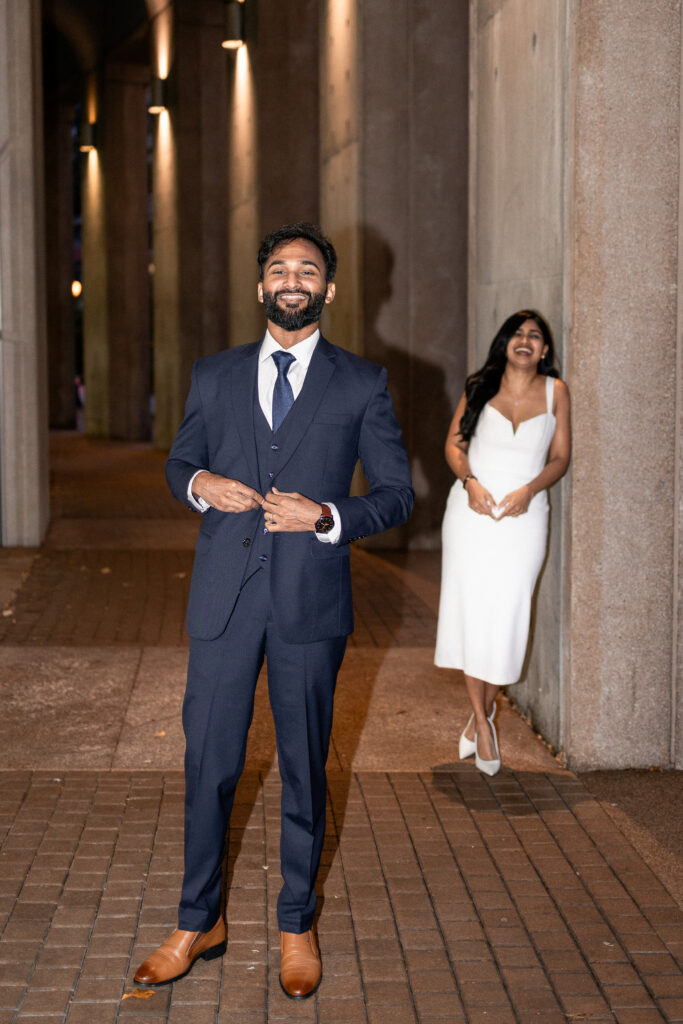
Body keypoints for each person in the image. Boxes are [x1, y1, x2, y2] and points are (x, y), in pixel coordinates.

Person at [134, 223, 413, 997]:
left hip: (308, 604)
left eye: (308, 270)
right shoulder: (213, 374)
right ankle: (199, 919)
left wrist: (325, 516)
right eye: (280, 269)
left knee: (303, 769)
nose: (293, 280)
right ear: (261, 287)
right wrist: (199, 487)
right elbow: (179, 461)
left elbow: (396, 495)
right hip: (222, 600)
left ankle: (296, 923)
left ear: (327, 289)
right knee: (208, 763)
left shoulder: (362, 382)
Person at [434, 310, 571, 776]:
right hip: (471, 512)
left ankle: (480, 716)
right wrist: (470, 482)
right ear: (505, 342)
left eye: (535, 336)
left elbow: (560, 456)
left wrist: (529, 491)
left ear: (545, 350)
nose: (526, 340)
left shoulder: (557, 393)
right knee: (473, 614)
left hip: (525, 516)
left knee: (508, 613)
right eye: (518, 332)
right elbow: (454, 445)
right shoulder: (479, 384)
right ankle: (483, 721)